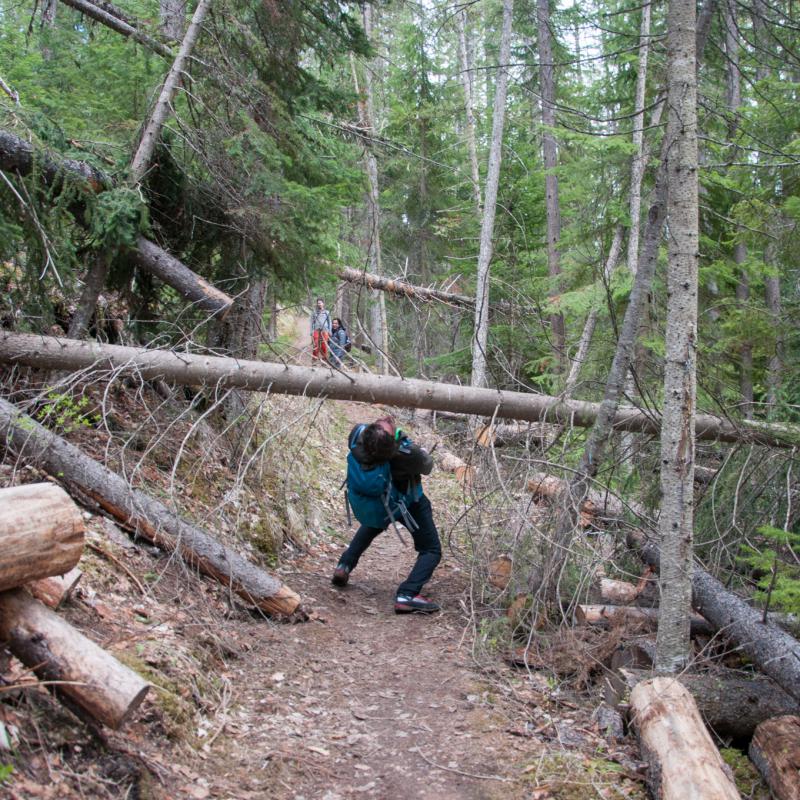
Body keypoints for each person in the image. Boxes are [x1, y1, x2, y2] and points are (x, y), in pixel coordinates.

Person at [332, 416, 442, 614]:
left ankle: (344, 565)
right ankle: (407, 595)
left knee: (374, 522)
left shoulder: (357, 435)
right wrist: (411, 445)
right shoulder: (405, 454)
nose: (387, 418)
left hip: (379, 502)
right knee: (431, 549)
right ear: (391, 445)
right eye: (387, 426)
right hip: (407, 503)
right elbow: (427, 465)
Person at [310, 297, 331, 363]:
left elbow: (329, 322)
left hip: (325, 331)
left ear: (323, 304)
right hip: (316, 330)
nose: (319, 304)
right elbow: (311, 322)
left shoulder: (326, 312)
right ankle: (314, 360)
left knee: (324, 346)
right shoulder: (314, 312)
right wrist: (311, 331)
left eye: (320, 303)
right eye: (318, 303)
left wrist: (329, 331)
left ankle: (324, 360)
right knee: (316, 345)